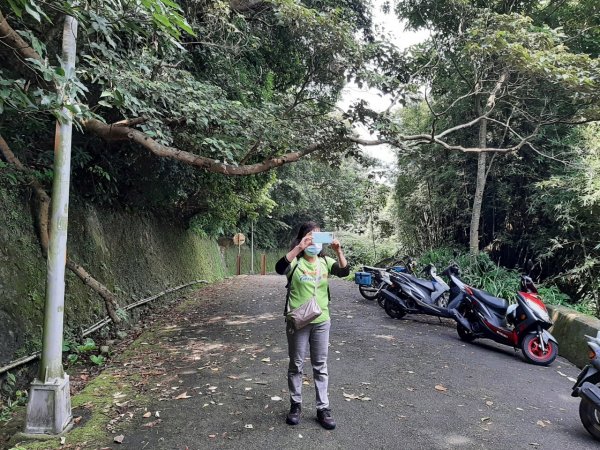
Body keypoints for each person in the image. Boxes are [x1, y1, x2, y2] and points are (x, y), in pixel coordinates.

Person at [275, 221, 349, 430]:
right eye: (310, 236)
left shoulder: (325, 261)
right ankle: (295, 405)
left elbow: (344, 272)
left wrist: (338, 250)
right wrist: (298, 247)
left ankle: (323, 409)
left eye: (318, 237)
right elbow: (279, 268)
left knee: (320, 366)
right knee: (296, 364)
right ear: (301, 239)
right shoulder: (295, 262)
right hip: (298, 320)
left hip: (321, 320)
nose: (314, 241)